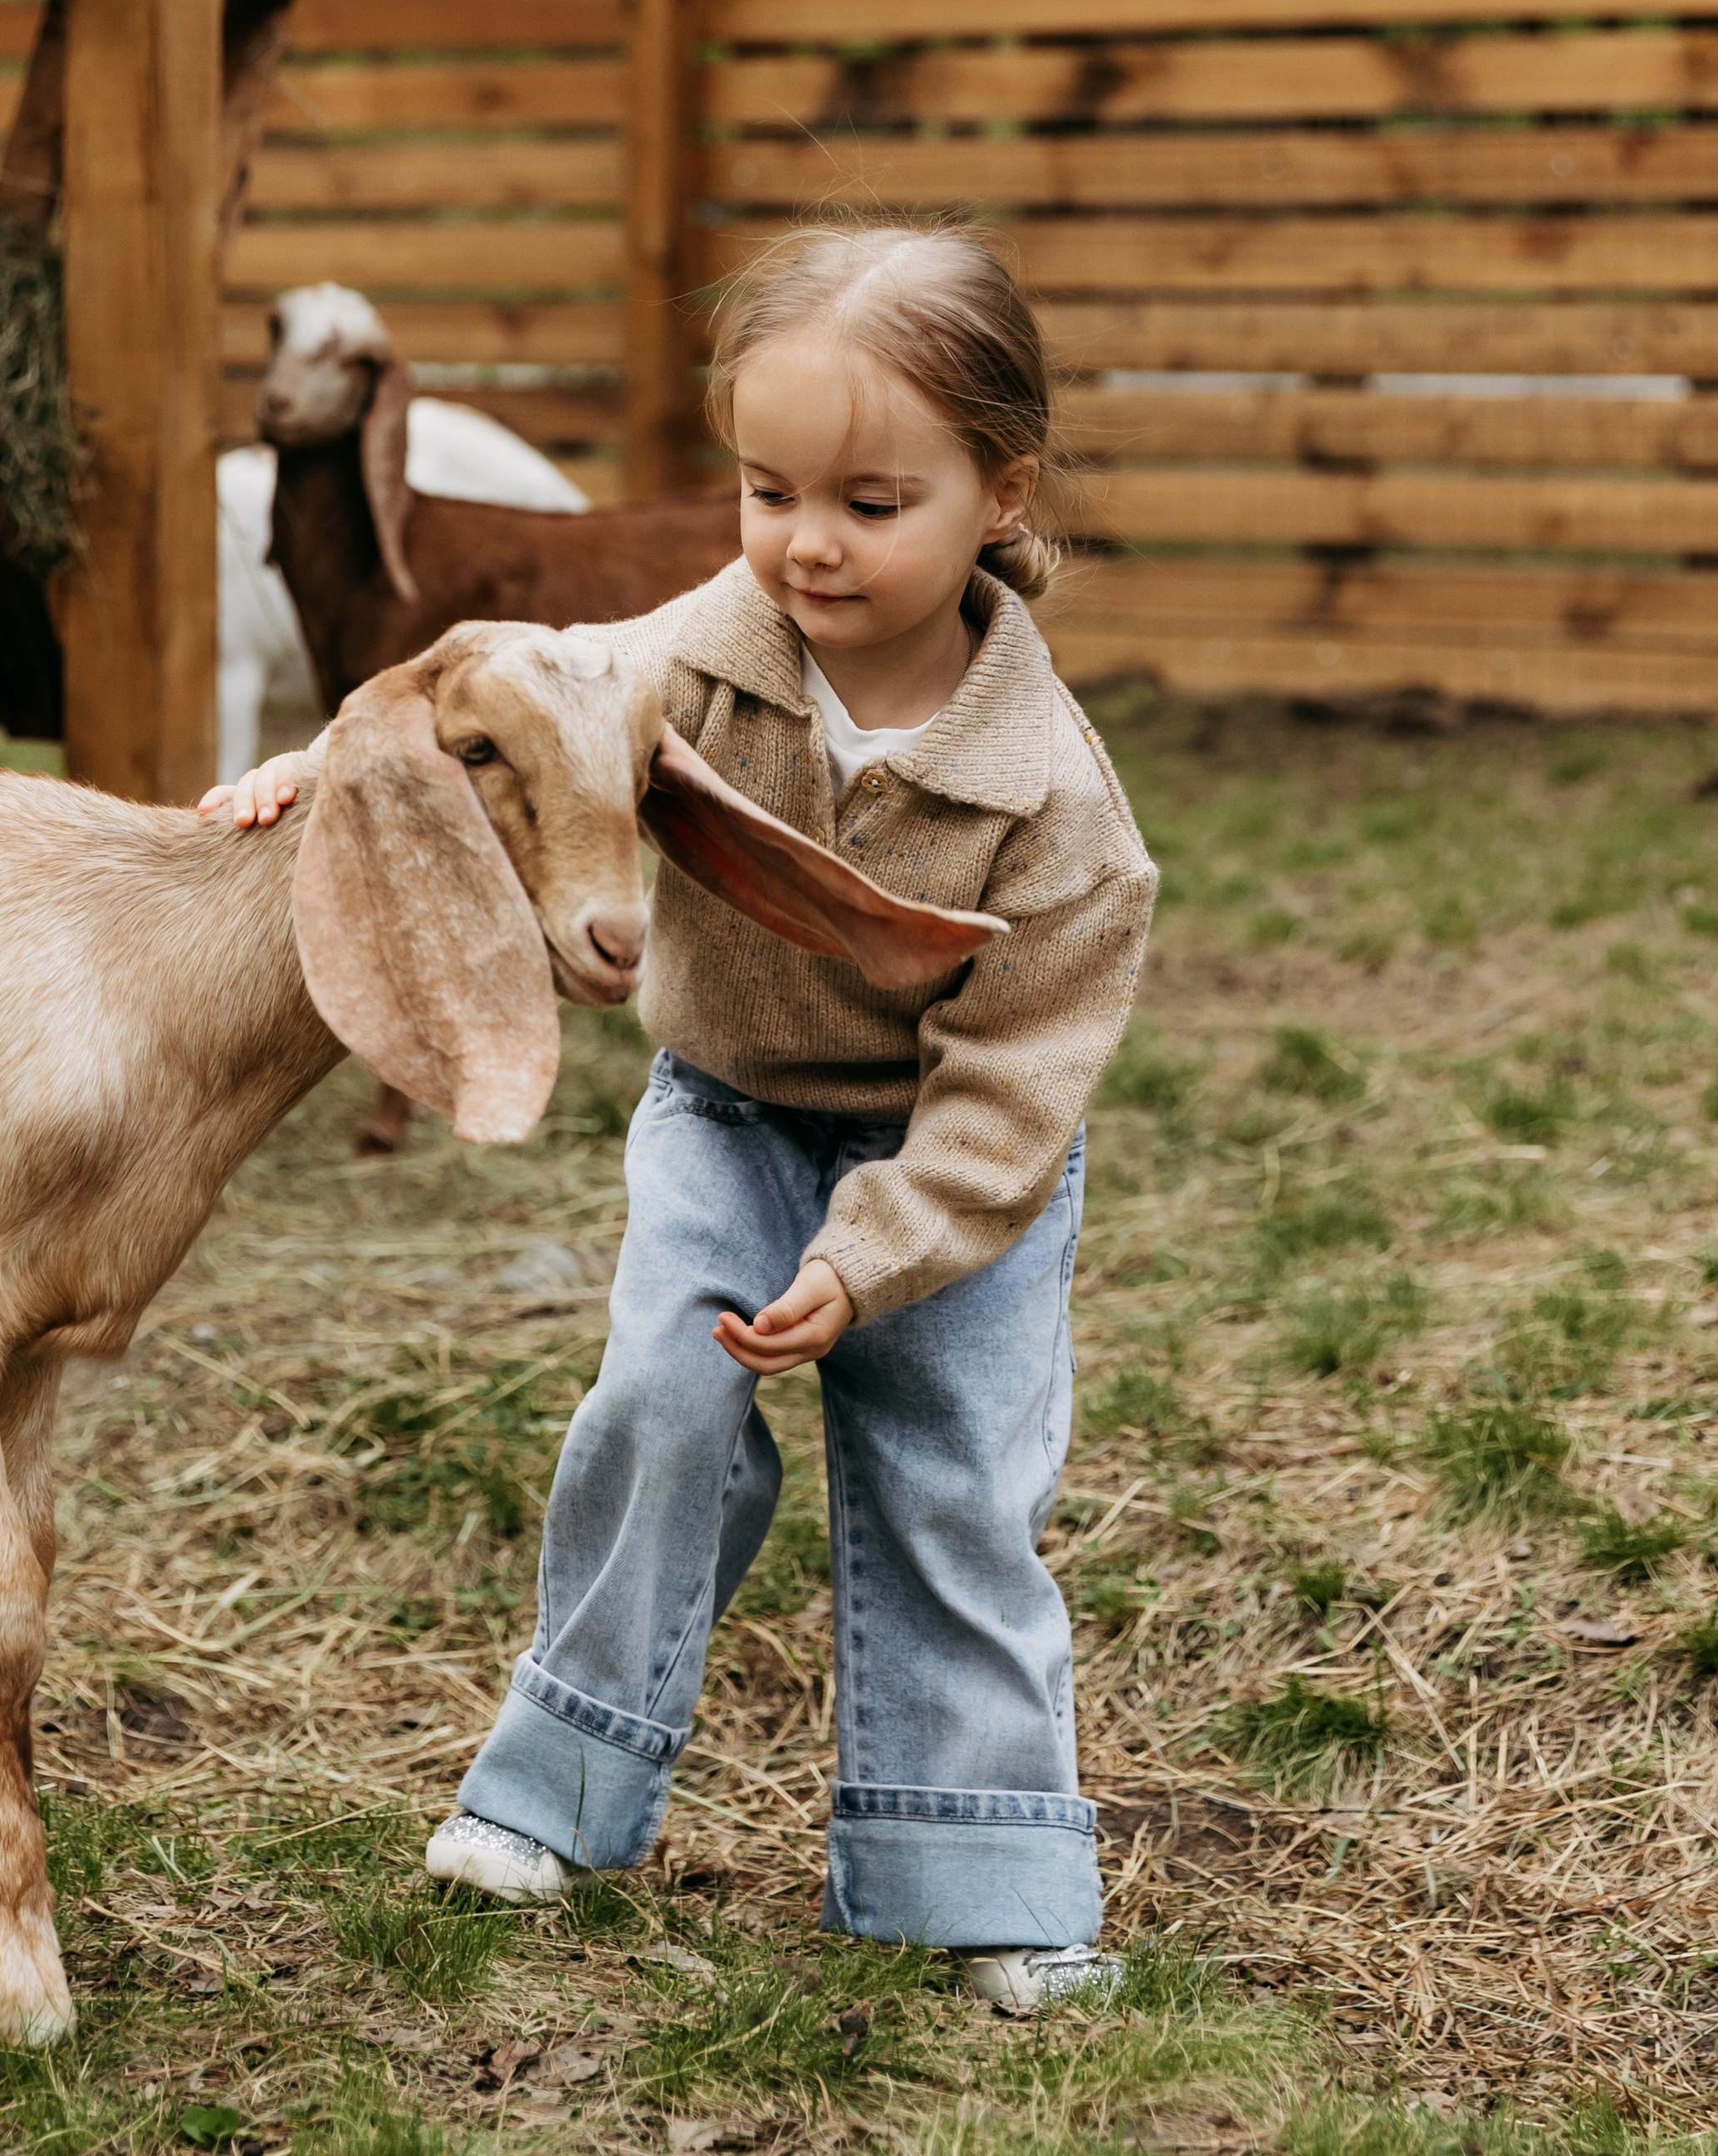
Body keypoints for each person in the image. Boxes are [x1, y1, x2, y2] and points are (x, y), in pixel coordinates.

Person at [208, 223, 1157, 2012]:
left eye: (870, 502)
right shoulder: (695, 652)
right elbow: (486, 679)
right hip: (724, 1111)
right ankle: (557, 1787)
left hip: (948, 1173)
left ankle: (980, 1870)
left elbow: (1013, 1092)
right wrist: (325, 763)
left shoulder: (1058, 812)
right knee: (658, 1395)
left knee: (954, 1483)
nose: (804, 541)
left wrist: (872, 1257)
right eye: (763, 486)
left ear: (996, 494)